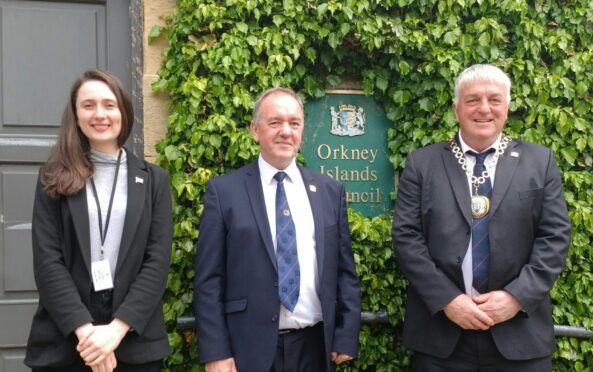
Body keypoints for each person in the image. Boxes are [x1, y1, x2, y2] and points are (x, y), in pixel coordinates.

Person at [392, 64, 571, 371]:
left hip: (519, 337)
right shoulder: (422, 163)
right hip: (442, 339)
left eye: (494, 99)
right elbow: (406, 238)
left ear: (508, 106)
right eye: (473, 100)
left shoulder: (540, 162)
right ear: (456, 108)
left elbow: (554, 237)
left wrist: (515, 298)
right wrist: (448, 300)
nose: (484, 109)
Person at [194, 87, 361, 372]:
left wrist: (346, 335)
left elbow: (344, 271)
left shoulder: (329, 191)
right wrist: (215, 352)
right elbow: (209, 279)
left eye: (294, 123)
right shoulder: (224, 192)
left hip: (315, 347)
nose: (286, 131)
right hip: (248, 350)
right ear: (255, 130)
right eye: (275, 122)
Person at [24, 70, 173, 372]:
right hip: (66, 344)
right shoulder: (52, 177)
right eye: (88, 105)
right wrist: (88, 335)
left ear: (123, 112)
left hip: (134, 347)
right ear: (75, 114)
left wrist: (115, 332)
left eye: (109, 104)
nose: (99, 114)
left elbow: (156, 262)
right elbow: (47, 261)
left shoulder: (154, 180)